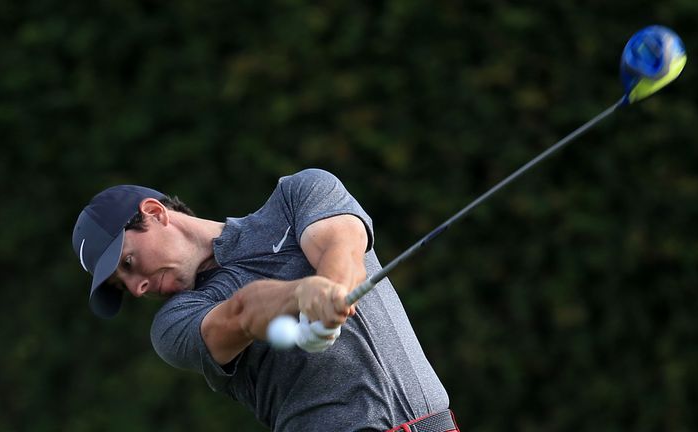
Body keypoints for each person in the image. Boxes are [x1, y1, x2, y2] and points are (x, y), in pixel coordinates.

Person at [72, 168, 459, 431]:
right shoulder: (173, 325)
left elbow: (342, 245)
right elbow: (242, 314)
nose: (137, 287)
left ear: (155, 213)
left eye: (129, 263)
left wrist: (329, 290)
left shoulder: (298, 195)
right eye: (125, 285)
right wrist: (301, 294)